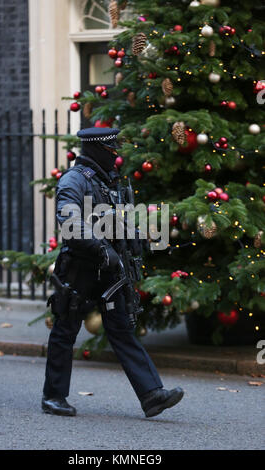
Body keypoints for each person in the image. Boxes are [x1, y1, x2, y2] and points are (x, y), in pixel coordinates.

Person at [42, 127, 184, 418]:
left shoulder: (110, 182)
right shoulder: (74, 180)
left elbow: (119, 225)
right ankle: (53, 396)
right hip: (81, 269)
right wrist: (100, 249)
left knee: (121, 329)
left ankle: (151, 395)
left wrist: (152, 239)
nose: (117, 155)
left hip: (109, 271)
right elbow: (70, 221)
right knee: (65, 330)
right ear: (95, 150)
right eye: (111, 150)